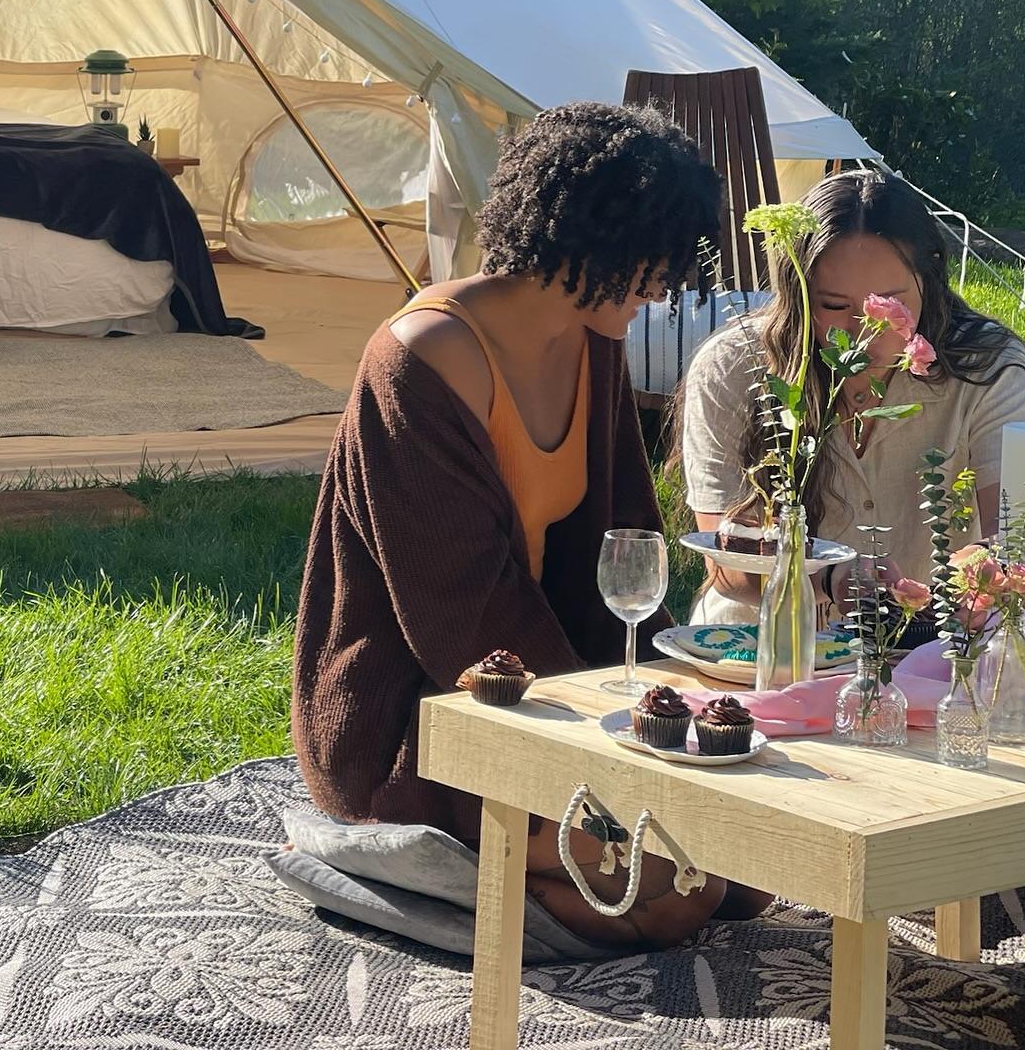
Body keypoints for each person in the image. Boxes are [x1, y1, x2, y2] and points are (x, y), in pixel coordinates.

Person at [292, 101, 769, 951]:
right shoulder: (421, 358)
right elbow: (459, 618)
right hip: (423, 714)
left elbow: (624, 552)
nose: (663, 286)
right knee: (672, 885)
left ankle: (496, 880)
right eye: (651, 259)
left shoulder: (594, 337)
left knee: (745, 866)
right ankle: (392, 867)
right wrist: (611, 750)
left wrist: (665, 707)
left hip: (553, 693)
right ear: (586, 237)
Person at [679, 168, 1025, 624]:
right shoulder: (734, 366)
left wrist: (983, 577)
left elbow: (1019, 537)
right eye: (833, 306)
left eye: (890, 304)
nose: (861, 335)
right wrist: (830, 579)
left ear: (929, 281)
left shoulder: (985, 367)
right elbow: (724, 565)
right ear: (797, 296)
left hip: (921, 649)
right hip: (752, 647)